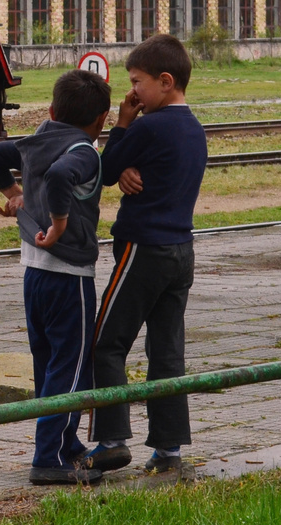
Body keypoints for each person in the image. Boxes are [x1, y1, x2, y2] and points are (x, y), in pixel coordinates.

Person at [0, 69, 113, 485]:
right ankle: (49, 459)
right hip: (69, 275)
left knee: (48, 365)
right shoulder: (86, 151)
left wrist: (12, 194)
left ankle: (66, 445)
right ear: (101, 120)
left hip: (33, 273)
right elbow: (59, 176)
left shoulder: (37, 139)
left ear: (52, 110)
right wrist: (58, 223)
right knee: (70, 369)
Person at [86, 33, 208, 476]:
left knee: (106, 342)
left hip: (144, 250)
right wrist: (128, 169)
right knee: (167, 350)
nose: (132, 91)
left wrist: (120, 125)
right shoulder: (193, 128)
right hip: (181, 252)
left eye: (137, 82)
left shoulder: (149, 125)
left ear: (165, 81)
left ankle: (112, 440)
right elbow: (134, 169)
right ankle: (169, 449)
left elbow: (100, 172)